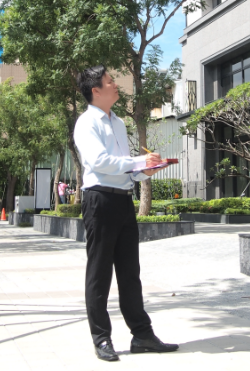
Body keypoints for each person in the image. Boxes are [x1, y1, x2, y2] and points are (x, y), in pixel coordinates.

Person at [74, 65, 178, 362]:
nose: (115, 84)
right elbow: (100, 162)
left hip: (122, 201)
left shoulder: (118, 122)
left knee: (130, 272)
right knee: (100, 273)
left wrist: (146, 169)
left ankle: (142, 335)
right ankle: (101, 338)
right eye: (110, 81)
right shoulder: (86, 123)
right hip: (99, 201)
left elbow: (124, 167)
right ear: (96, 90)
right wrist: (138, 161)